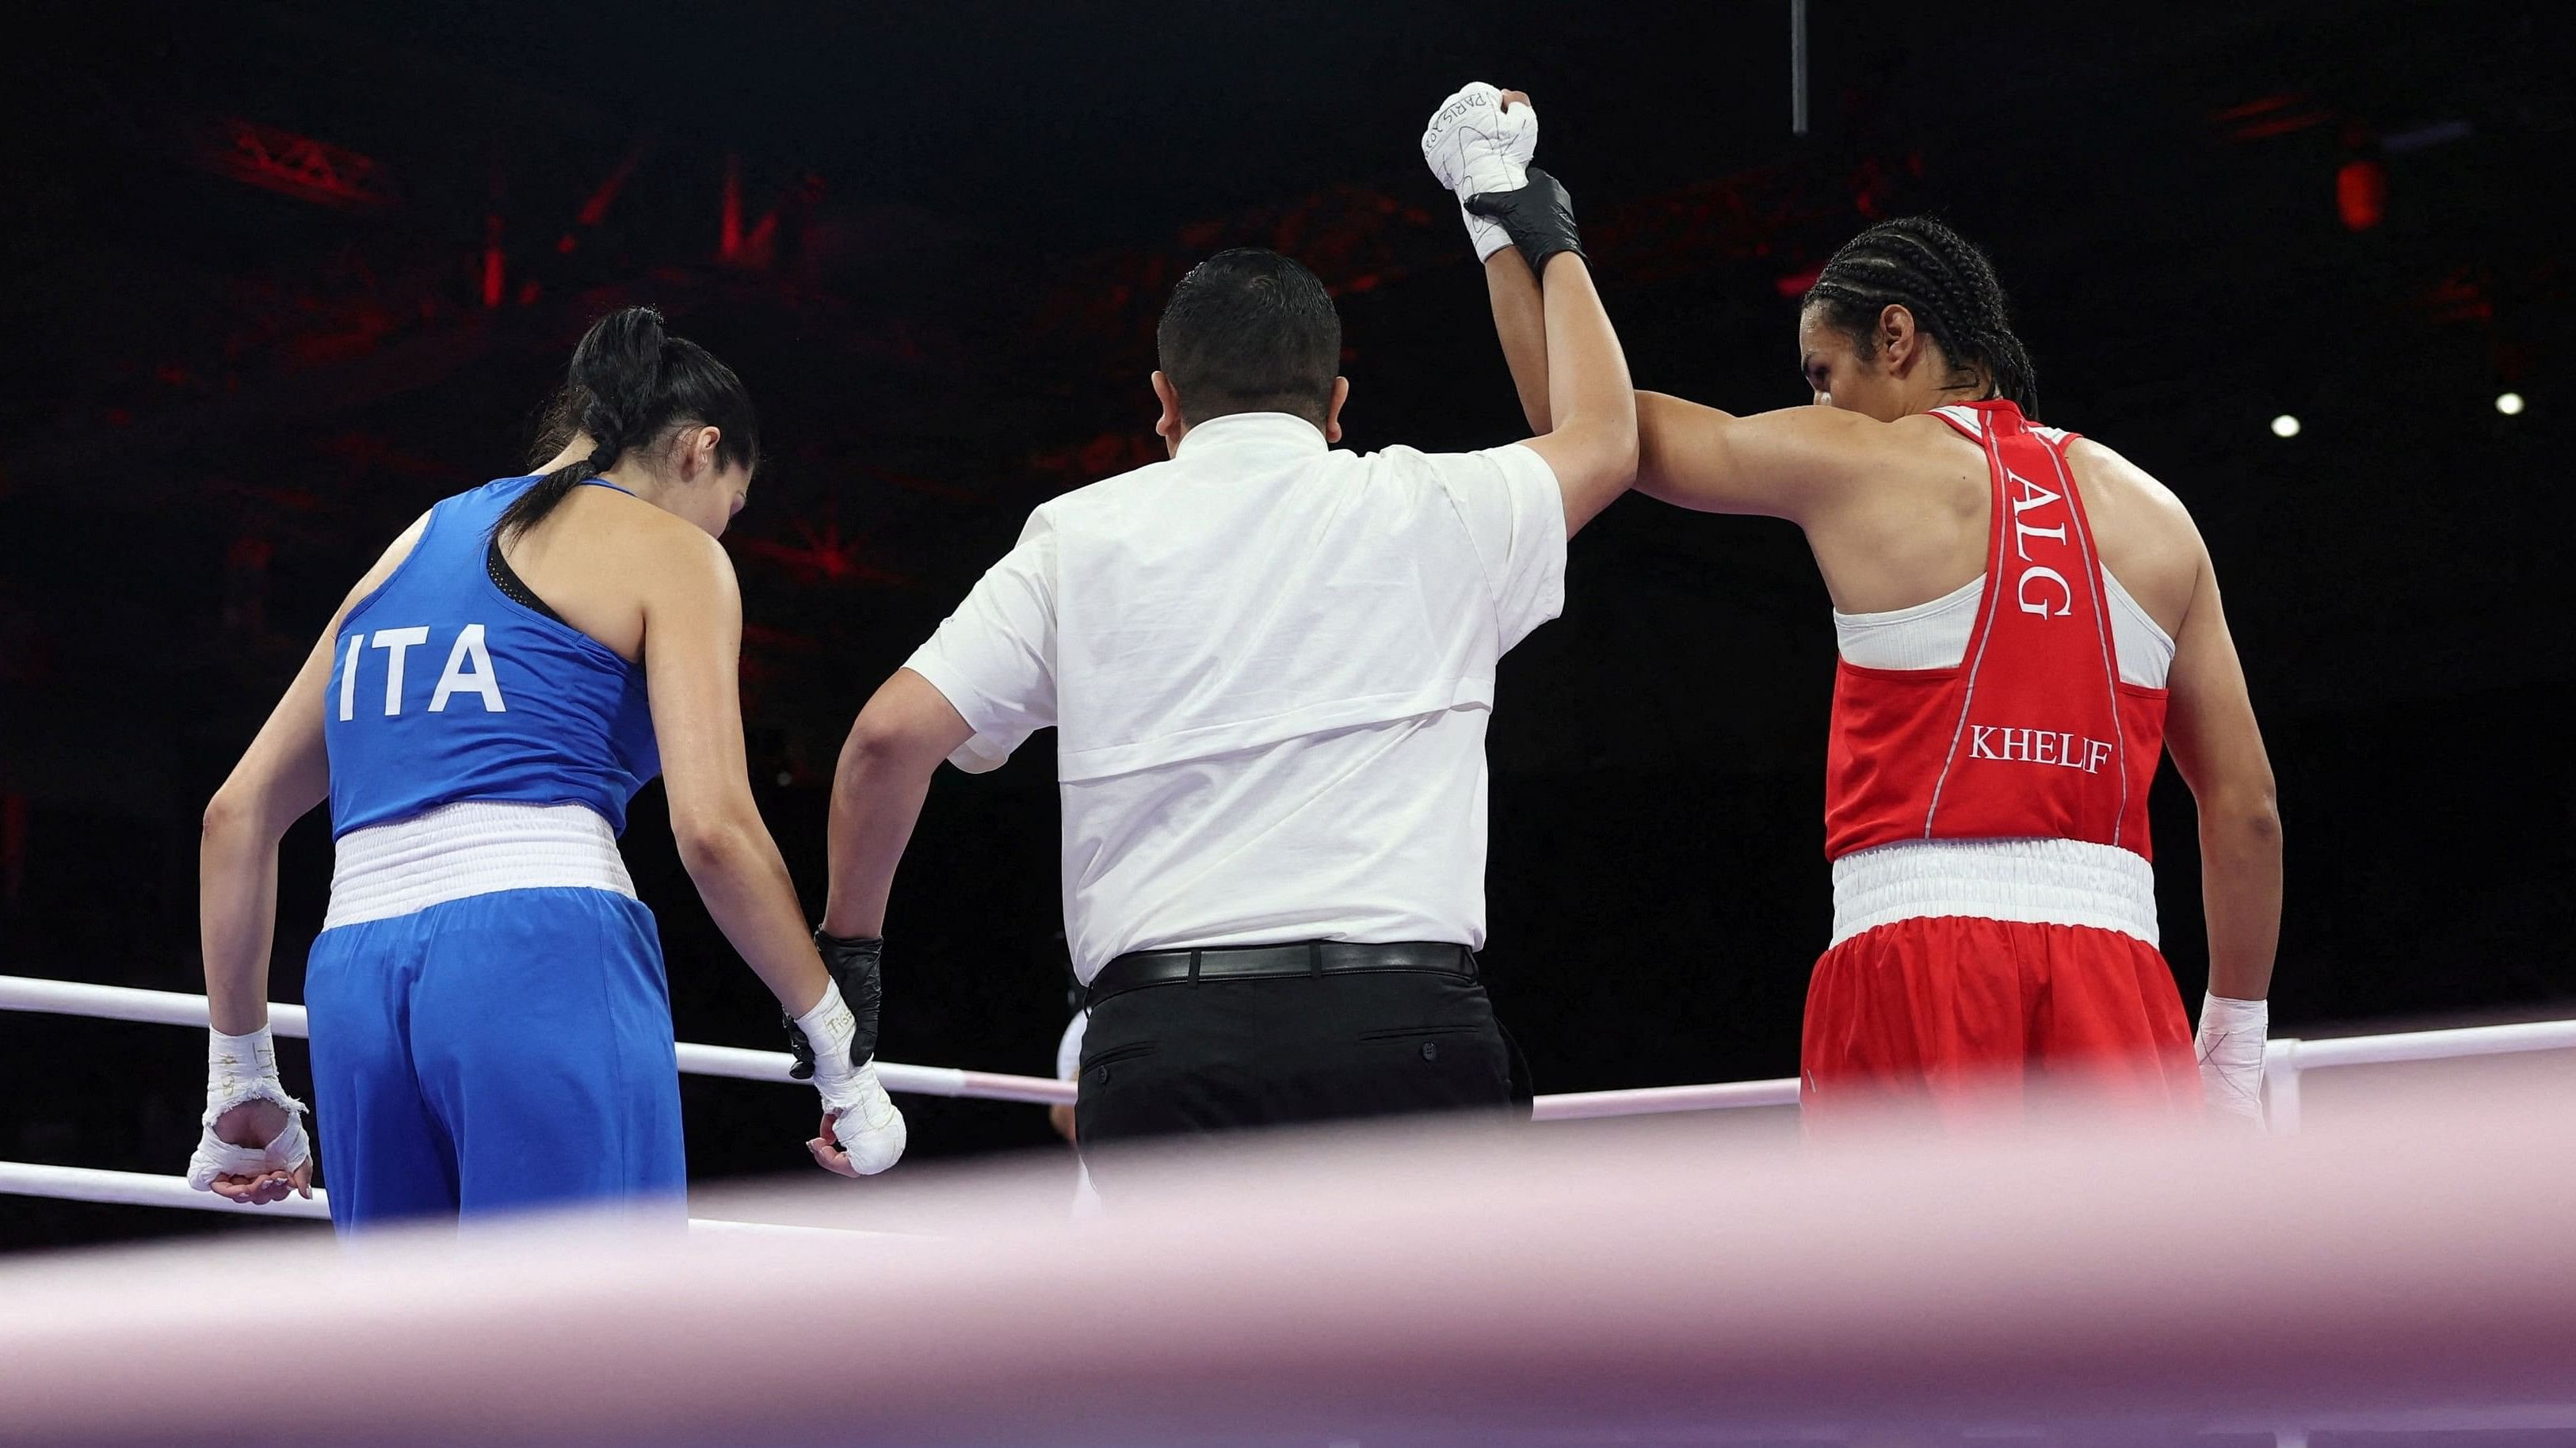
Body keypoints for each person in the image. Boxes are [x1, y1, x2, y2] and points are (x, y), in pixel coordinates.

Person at [1440, 88, 2281, 1126]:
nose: (1821, 403)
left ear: (1895, 337)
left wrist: (1519, 230)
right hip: (2122, 985)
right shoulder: (2159, 517)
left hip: (1917, 964)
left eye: (1822, 374)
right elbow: (2243, 811)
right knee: (2125, 1290)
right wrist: (2231, 1053)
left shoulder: (1857, 457)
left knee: (1915, 1290)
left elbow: (1580, 431)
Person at [814, 232, 1635, 1187]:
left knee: (1200, 1348)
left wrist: (851, 957)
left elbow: (884, 738)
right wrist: (1523, 228)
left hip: (1171, 1050)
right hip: (1404, 1028)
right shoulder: (1436, 500)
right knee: (1416, 1345)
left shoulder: (1077, 536)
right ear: (1335, 404)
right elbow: (1606, 435)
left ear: (1162, 401)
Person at [189, 306, 904, 1229]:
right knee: (587, 1354)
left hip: (355, 982)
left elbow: (234, 814)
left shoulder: (409, 544)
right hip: (538, 954)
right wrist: (840, 1056)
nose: (719, 537)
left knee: (411, 1356)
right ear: (698, 449)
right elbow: (715, 832)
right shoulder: (672, 552)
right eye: (729, 509)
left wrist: (242, 1078)